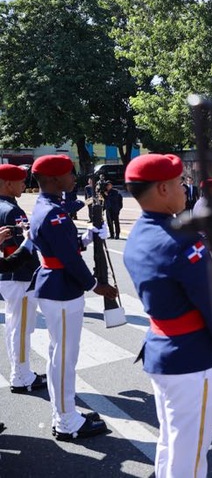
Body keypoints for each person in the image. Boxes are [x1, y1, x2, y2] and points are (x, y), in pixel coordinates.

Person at [122, 153, 212, 478]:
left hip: (161, 350)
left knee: (171, 440)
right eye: (179, 183)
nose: (183, 189)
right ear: (163, 189)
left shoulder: (139, 233)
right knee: (191, 453)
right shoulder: (182, 242)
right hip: (192, 360)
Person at [29, 154, 116, 440]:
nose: (73, 177)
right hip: (62, 290)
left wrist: (86, 237)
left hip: (56, 287)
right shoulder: (53, 213)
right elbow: (68, 258)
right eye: (69, 173)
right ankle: (66, 421)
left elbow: (64, 246)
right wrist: (95, 285)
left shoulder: (48, 206)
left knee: (59, 355)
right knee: (65, 358)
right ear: (55, 179)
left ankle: (65, 413)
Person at [0, 164, 46, 394]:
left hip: (8, 276)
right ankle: (21, 376)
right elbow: (25, 248)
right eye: (20, 181)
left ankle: (20, 372)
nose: (24, 184)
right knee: (20, 329)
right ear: (8, 184)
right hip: (21, 276)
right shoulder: (12, 211)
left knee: (14, 326)